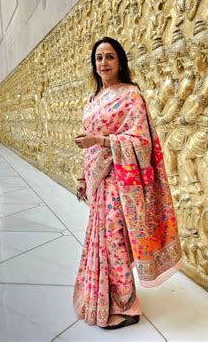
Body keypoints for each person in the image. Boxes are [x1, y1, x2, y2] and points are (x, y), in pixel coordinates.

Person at [73, 36, 182, 329]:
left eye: (109, 57)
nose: (103, 63)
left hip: (121, 181)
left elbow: (141, 142)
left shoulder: (131, 95)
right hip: (99, 181)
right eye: (98, 58)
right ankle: (106, 298)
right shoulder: (92, 99)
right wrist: (83, 177)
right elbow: (88, 142)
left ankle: (127, 306)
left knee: (116, 241)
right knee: (104, 242)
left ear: (120, 61)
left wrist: (101, 140)